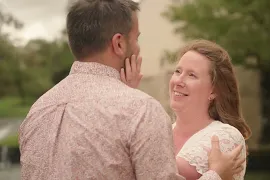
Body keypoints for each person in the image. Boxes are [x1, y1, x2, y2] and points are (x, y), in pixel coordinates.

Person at [18, 0, 244, 180]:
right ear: (118, 44)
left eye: (191, 74)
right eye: (136, 38)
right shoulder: (142, 111)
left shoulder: (37, 111)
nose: (137, 47)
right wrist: (216, 176)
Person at [123, 40, 251, 180]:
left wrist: (128, 98)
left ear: (214, 90)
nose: (178, 81)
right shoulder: (163, 132)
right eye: (178, 71)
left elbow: (158, 171)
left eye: (192, 75)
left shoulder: (226, 136)